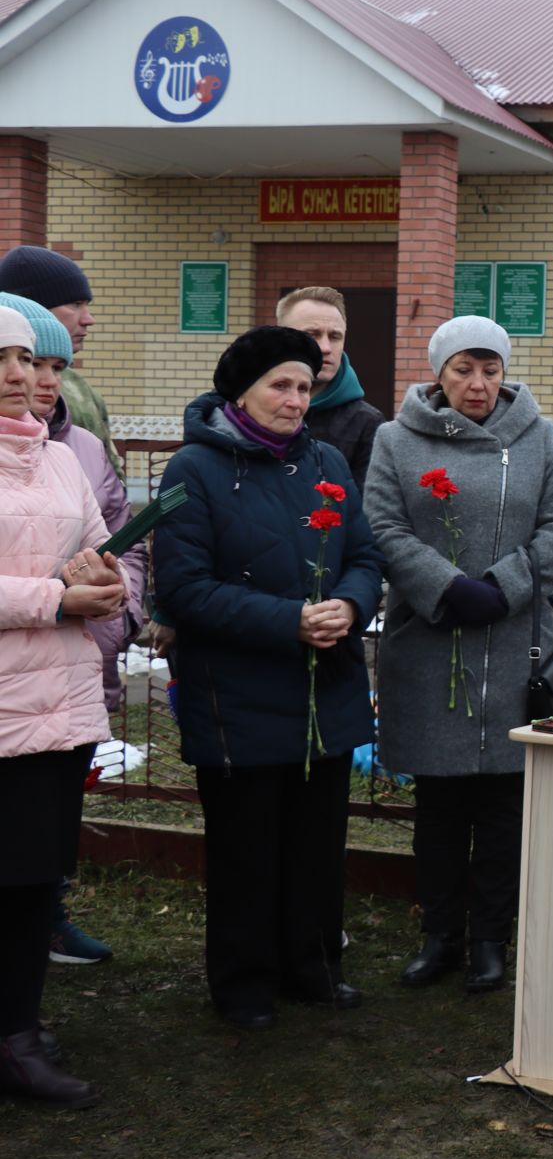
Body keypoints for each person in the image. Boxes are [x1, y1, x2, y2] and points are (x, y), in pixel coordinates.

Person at [151, 326, 383, 1030]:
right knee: (247, 846)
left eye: (305, 387)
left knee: (316, 843)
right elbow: (185, 590)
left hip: (324, 686)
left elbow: (365, 554)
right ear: (240, 391)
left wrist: (350, 602)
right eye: (280, 385)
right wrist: (290, 620)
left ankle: (312, 965)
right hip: (239, 692)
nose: (294, 399)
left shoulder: (326, 465)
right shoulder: (193, 469)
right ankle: (244, 982)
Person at [364, 316, 553, 994]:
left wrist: (504, 587)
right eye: (463, 370)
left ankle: (491, 939)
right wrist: (445, 586)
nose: (478, 384)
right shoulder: (396, 440)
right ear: (439, 373)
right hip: (433, 644)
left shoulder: (540, 438)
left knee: (502, 809)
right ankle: (441, 936)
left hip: (516, 644)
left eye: (490, 369)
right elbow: (383, 525)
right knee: (440, 806)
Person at [0, 303, 126, 1107]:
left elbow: (98, 547)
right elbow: (57, 593)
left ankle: (18, 1033)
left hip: (60, 708)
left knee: (31, 882)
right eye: (3, 359)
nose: (18, 376)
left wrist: (104, 585)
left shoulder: (60, 458)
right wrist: (58, 597)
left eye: (25, 359)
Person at [0, 245, 119, 480]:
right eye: (74, 304)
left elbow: (109, 484)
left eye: (57, 368)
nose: (89, 319)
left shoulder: (81, 389)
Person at [279, 287, 385, 489]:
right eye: (312, 334)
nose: (326, 348)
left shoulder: (366, 423)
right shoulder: (245, 408)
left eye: (335, 336)